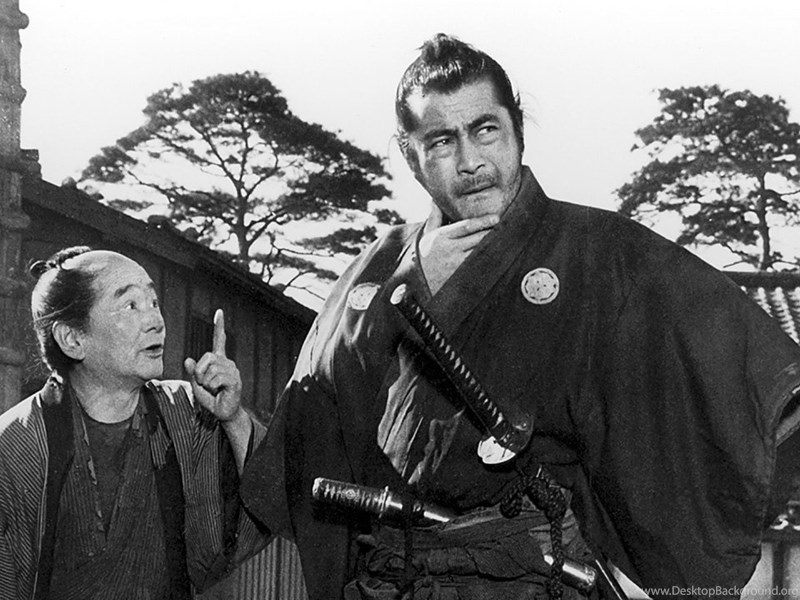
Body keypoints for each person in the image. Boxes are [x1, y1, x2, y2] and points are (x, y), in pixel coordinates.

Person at [240, 34, 800, 599]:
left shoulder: (598, 250)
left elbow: (756, 379)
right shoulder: (380, 265)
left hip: (536, 575)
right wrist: (407, 287)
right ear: (411, 157)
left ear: (518, 130)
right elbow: (310, 431)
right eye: (442, 141)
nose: (471, 162)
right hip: (396, 575)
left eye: (486, 129)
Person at [0, 246, 270, 599]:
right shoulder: (15, 446)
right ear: (73, 339)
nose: (156, 320)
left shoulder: (187, 412)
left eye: (154, 302)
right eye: (131, 305)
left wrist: (233, 418)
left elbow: (262, 511)